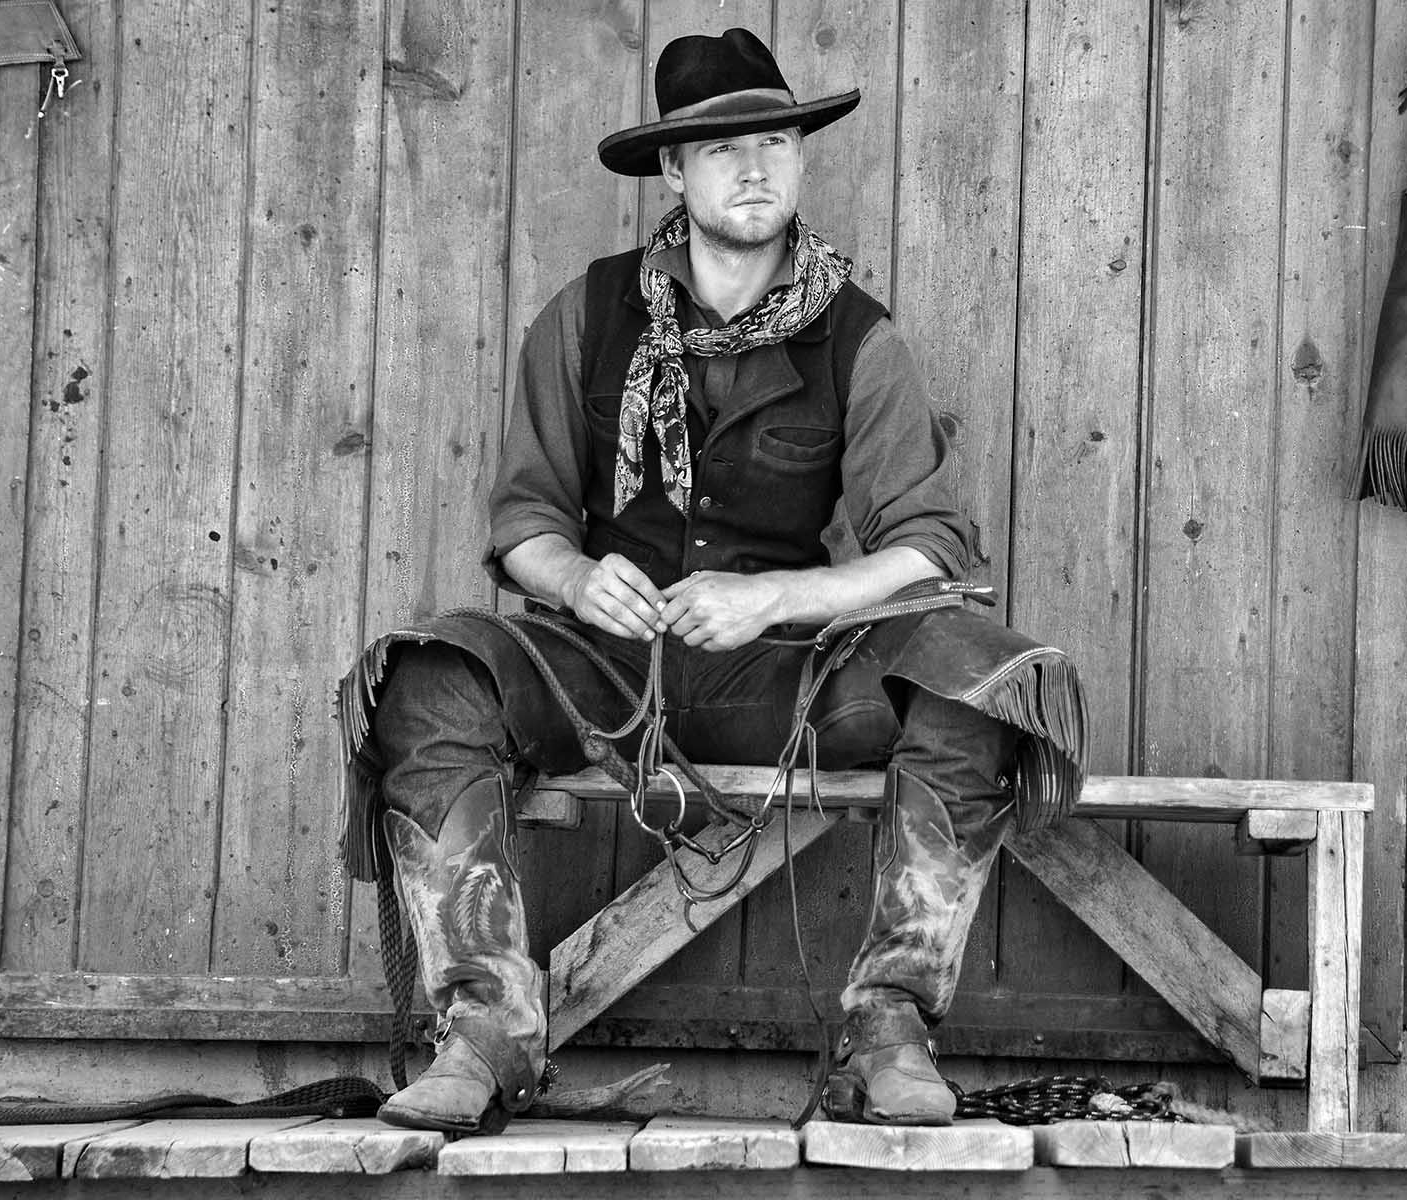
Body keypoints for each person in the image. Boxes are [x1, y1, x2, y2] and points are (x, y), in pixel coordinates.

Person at [336, 27, 1084, 1135]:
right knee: (425, 677)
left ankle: (888, 1029)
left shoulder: (856, 338)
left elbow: (930, 547)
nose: (754, 167)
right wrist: (580, 578)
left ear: (800, 159)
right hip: (603, 666)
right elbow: (525, 519)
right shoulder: (584, 318)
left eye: (776, 140)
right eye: (722, 147)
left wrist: (775, 597)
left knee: (983, 675)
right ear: (672, 173)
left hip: (786, 675)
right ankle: (485, 1035)